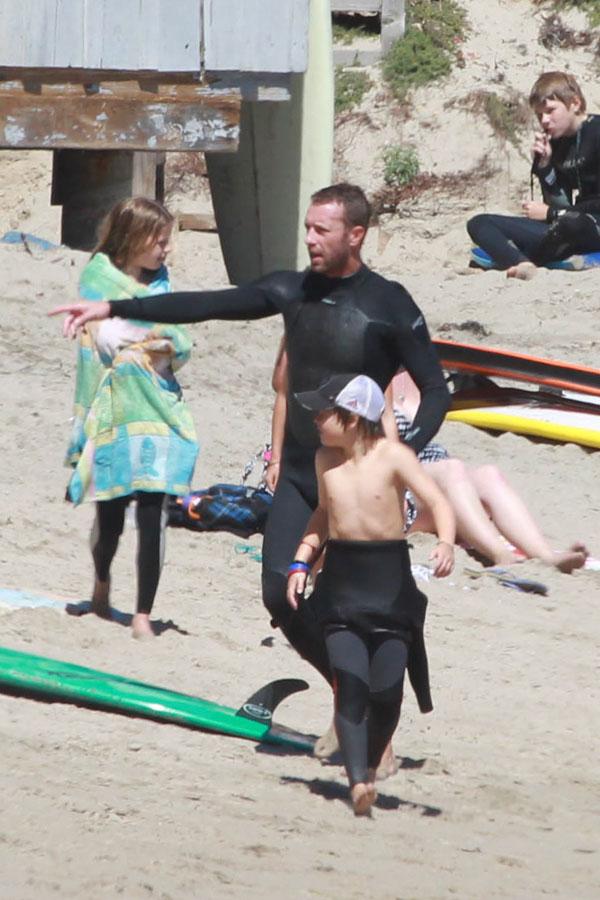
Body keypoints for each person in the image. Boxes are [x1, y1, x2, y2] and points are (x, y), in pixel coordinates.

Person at [50, 182, 450, 676]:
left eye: (322, 230)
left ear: (356, 235)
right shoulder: (292, 290)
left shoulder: (389, 303)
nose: (310, 238)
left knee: (363, 612)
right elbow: (210, 303)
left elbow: (437, 390)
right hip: (305, 475)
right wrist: (113, 308)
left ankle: (365, 707)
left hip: (359, 482)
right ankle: (345, 690)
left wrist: (401, 455)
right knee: (277, 595)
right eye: (307, 228)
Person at [286, 373, 455, 816]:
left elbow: (437, 502)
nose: (317, 419)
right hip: (342, 584)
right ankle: (359, 781)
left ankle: (371, 765)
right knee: (352, 683)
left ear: (354, 417)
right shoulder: (325, 460)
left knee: (387, 692)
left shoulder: (394, 456)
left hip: (390, 585)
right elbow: (324, 514)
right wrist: (302, 561)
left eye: (324, 412)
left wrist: (446, 542)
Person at [66, 197, 199, 639]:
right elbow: (102, 339)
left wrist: (148, 340)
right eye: (158, 242)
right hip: (112, 410)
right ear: (134, 238)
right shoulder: (98, 277)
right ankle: (101, 582)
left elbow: (178, 342)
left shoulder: (162, 285)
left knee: (152, 513)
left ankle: (143, 612)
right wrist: (144, 338)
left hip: (157, 408)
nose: (165, 251)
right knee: (111, 518)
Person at [390, 371, 588, 573]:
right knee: (452, 470)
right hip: (398, 488)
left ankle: (546, 556)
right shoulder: (373, 374)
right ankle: (501, 555)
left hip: (434, 475)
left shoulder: (418, 367)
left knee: (489, 475)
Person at [467, 71, 600, 279]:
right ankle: (525, 264)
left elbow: (561, 213)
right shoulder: (556, 143)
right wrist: (545, 166)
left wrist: (551, 214)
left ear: (574, 103)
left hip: (590, 226)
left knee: (572, 223)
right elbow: (560, 204)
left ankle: (520, 256)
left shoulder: (597, 132)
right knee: (479, 222)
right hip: (567, 226)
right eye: (539, 115)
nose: (545, 120)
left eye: (550, 111)